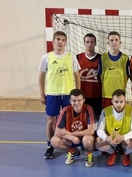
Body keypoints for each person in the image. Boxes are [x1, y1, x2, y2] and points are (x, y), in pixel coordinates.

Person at [38, 31, 81, 159]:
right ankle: (49, 145)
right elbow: (41, 76)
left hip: (68, 94)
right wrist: (42, 93)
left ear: (66, 42)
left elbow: (77, 76)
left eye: (63, 40)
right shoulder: (46, 57)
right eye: (58, 39)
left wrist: (77, 94)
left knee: (69, 121)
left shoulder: (71, 57)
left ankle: (70, 145)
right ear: (53, 41)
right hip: (52, 94)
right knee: (51, 120)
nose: (60, 42)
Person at [50, 89, 96, 167]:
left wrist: (71, 133)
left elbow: (91, 131)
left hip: (84, 136)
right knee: (54, 141)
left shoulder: (88, 109)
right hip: (71, 139)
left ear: (83, 100)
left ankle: (89, 154)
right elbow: (57, 131)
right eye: (74, 100)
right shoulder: (65, 110)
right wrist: (71, 137)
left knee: (87, 140)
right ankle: (72, 150)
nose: (77, 103)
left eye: (79, 100)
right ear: (70, 101)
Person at [95, 89, 132, 166]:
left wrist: (123, 137)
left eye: (121, 102)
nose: (119, 104)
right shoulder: (106, 111)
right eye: (116, 102)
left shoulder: (131, 110)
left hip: (125, 139)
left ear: (125, 101)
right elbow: (99, 130)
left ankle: (126, 154)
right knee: (98, 142)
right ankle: (112, 153)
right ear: (112, 102)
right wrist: (107, 138)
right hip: (111, 138)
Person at [100, 31, 130, 109]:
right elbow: (99, 76)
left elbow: (129, 76)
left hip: (120, 97)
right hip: (106, 95)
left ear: (120, 42)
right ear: (108, 42)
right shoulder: (103, 57)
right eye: (112, 40)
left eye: (116, 40)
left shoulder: (125, 58)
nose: (114, 42)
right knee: (106, 118)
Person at [77, 33, 102, 120]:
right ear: (84, 43)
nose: (89, 44)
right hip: (82, 95)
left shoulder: (101, 58)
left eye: (92, 42)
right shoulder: (77, 58)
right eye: (87, 42)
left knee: (97, 118)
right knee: (82, 117)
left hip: (97, 95)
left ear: (95, 43)